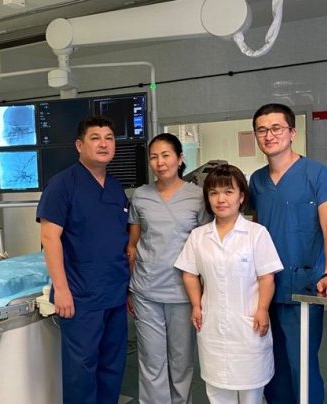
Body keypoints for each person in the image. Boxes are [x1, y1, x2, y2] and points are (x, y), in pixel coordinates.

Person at [248, 103, 327, 403]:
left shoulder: (317, 174)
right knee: (270, 365)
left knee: (301, 365)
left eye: (276, 128)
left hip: (303, 286)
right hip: (265, 286)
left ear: (292, 132)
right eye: (262, 130)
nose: (269, 135)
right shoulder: (257, 180)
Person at [36, 115, 130, 404]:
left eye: (109, 138)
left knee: (112, 366)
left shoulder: (115, 188)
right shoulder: (62, 185)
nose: (104, 144)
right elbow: (50, 238)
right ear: (80, 145)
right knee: (81, 370)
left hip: (114, 293)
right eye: (95, 138)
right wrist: (61, 289)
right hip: (80, 296)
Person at [175, 164, 283, 404]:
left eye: (228, 192)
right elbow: (189, 273)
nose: (221, 199)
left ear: (241, 196)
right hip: (212, 325)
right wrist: (196, 306)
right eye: (213, 193)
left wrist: (262, 309)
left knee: (251, 392)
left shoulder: (256, 233)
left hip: (248, 325)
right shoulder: (199, 236)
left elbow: (267, 277)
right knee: (217, 391)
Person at [126, 133, 211, 404]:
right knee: (151, 360)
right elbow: (133, 245)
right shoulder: (141, 196)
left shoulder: (198, 197)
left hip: (183, 293)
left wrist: (203, 295)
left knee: (181, 361)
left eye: (166, 155)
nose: (160, 162)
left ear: (180, 158)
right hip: (146, 291)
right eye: (154, 157)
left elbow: (205, 247)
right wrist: (130, 288)